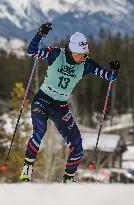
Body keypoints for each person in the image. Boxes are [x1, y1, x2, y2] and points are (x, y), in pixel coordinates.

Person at [20, 22, 120, 183]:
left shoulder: (86, 64)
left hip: (60, 106)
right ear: (71, 50)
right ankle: (26, 170)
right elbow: (32, 52)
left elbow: (109, 77)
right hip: (43, 100)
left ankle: (69, 179)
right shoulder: (55, 54)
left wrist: (113, 69)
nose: (83, 58)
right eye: (80, 54)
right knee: (39, 132)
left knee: (77, 145)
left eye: (85, 54)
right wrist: (40, 34)